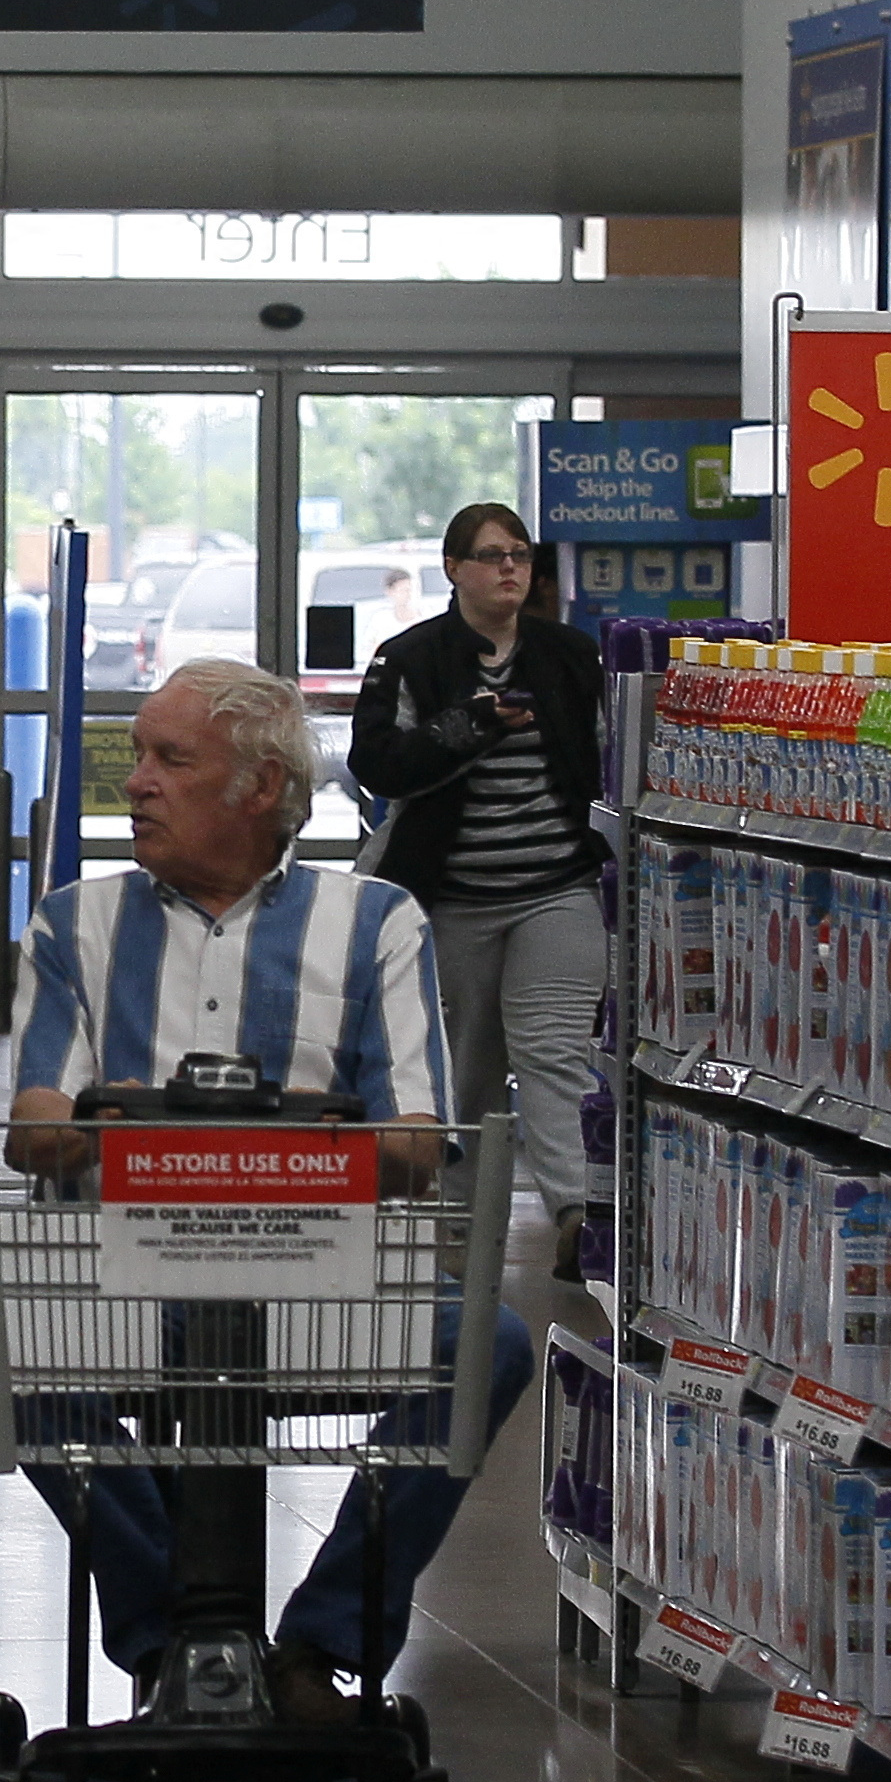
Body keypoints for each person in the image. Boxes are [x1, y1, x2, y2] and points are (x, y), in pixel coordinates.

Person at [8, 656, 533, 1719]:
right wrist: (93, 1131)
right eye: (137, 755)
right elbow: (33, 1129)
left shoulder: (377, 922)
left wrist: (220, 1142)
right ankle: (174, 1637)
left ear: (257, 789)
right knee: (21, 1355)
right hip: (120, 1287)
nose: (136, 781)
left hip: (315, 1289)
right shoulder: (76, 923)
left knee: (496, 1343)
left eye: (169, 759)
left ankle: (319, 1642)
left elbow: (418, 1143)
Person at [349, 498, 609, 1274]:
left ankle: (576, 1218)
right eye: (493, 556)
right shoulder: (411, 659)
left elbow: (604, 759)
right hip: (451, 897)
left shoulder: (569, 657)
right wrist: (471, 725)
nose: (510, 570)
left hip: (557, 888)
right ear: (453, 569)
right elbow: (379, 764)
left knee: (556, 1053)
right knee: (464, 1066)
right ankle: (453, 1219)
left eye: (521, 557)